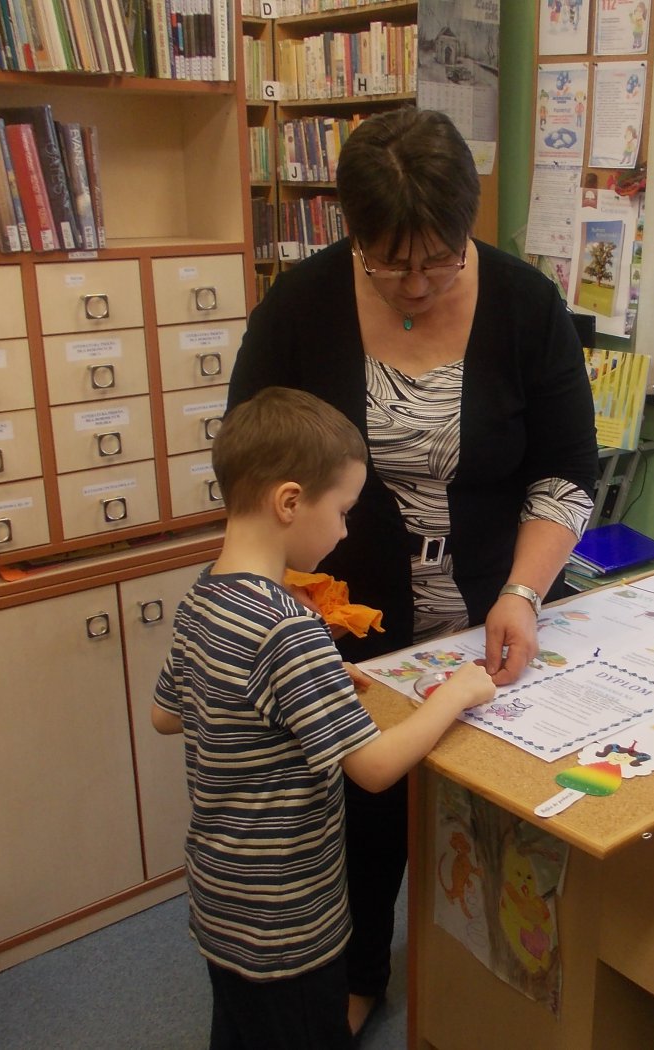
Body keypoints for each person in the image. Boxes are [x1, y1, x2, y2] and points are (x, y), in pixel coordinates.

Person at [227, 107, 600, 1033]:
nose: (420, 283)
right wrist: (273, 595)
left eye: (441, 259)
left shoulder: (526, 305)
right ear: (352, 234)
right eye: (392, 263)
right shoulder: (300, 307)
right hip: (346, 612)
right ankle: (359, 973)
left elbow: (565, 474)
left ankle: (493, 993)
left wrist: (522, 591)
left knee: (506, 810)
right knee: (362, 808)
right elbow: (250, 468)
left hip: (495, 602)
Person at [152, 387, 496, 1049]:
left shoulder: (203, 595)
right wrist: (453, 697)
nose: (343, 531)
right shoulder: (290, 629)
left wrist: (299, 688)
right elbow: (373, 769)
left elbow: (167, 714)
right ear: (289, 502)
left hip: (221, 894)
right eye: (341, 511)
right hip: (287, 916)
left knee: (241, 1031)